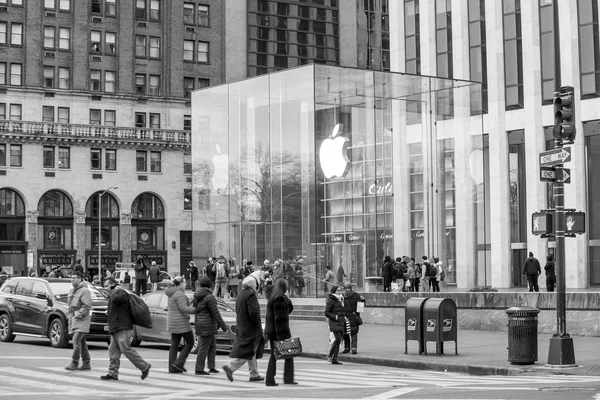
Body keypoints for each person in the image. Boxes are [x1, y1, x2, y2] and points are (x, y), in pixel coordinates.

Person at [101, 278, 151, 381]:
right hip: (115, 327)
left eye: (106, 286)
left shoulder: (120, 293)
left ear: (112, 285)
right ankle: (112, 373)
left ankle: (144, 366)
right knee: (113, 351)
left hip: (123, 327)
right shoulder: (115, 294)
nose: (105, 288)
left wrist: (115, 290)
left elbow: (117, 299)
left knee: (125, 349)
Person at [222, 275, 265, 383]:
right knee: (249, 350)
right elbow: (253, 312)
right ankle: (230, 367)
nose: (256, 286)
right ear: (251, 285)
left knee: (251, 351)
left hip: (242, 325)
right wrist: (258, 324)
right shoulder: (250, 295)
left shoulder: (241, 294)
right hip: (250, 327)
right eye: (255, 284)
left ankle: (254, 373)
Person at [193, 277, 229, 375]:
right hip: (207, 324)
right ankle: (199, 369)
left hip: (200, 323)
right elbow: (215, 313)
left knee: (212, 346)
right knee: (204, 347)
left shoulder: (197, 295)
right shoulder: (209, 297)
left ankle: (211, 367)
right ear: (210, 285)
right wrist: (223, 326)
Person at [264, 278, 296, 386]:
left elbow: (289, 310)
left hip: (272, 332)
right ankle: (285, 379)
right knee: (284, 355)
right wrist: (281, 337)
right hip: (279, 332)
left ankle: (271, 379)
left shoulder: (273, 298)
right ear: (284, 288)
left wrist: (287, 299)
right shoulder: (279, 300)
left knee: (276, 355)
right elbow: (280, 319)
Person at [166, 276, 196, 373]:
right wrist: (196, 309)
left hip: (172, 322)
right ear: (181, 284)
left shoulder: (171, 293)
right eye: (185, 282)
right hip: (181, 322)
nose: (186, 284)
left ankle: (172, 367)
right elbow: (184, 309)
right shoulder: (179, 294)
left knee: (174, 345)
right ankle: (179, 363)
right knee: (190, 342)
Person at [65, 271, 92, 371]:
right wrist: (70, 317)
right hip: (74, 319)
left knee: (76, 340)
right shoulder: (72, 290)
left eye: (75, 277)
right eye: (71, 277)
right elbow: (70, 306)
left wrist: (78, 314)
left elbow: (87, 306)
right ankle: (86, 362)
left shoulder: (85, 291)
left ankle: (74, 362)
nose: (72, 279)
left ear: (80, 279)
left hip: (82, 319)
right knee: (82, 342)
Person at [342, 283, 364, 355]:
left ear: (351, 289)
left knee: (353, 333)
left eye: (348, 288)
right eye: (345, 288)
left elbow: (360, 306)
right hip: (345, 317)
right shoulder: (341, 296)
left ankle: (354, 347)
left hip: (353, 316)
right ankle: (347, 348)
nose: (347, 289)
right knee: (345, 333)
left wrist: (363, 300)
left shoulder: (356, 295)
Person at [324, 285, 345, 365]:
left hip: (341, 321)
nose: (340, 291)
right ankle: (330, 355)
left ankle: (334, 358)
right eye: (338, 290)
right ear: (334, 292)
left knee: (339, 340)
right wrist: (335, 317)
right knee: (338, 338)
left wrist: (344, 317)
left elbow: (342, 311)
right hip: (334, 322)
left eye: (340, 290)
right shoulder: (331, 300)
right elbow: (326, 312)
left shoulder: (341, 299)